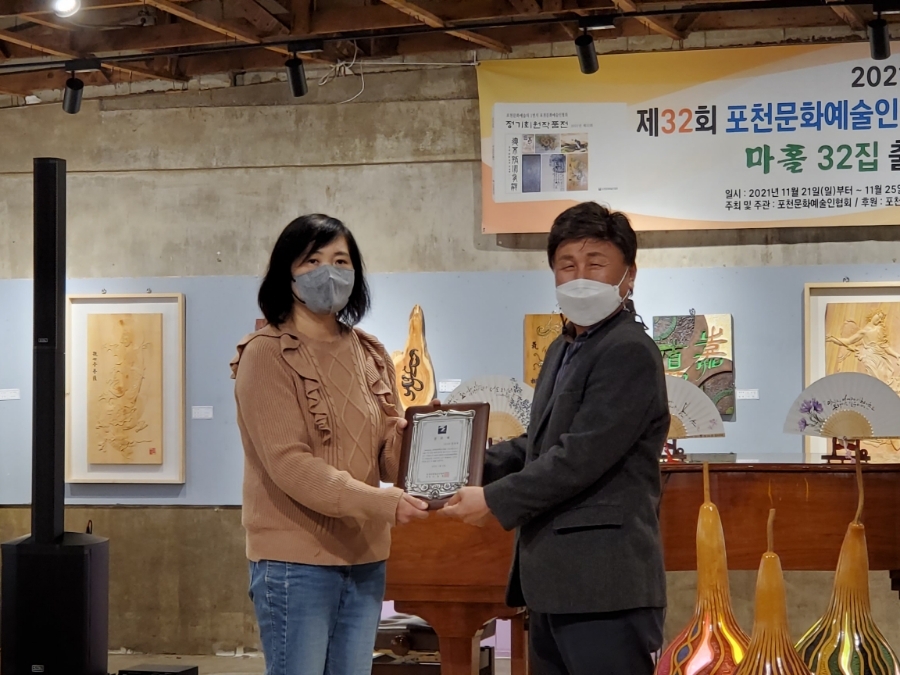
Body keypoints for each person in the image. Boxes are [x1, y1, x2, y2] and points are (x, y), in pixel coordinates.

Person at [443, 202, 670, 675]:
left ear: (629, 275)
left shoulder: (629, 350)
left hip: (604, 586)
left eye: (596, 263)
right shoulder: (562, 348)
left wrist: (491, 499)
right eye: (567, 264)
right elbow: (539, 444)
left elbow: (579, 457)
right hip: (554, 583)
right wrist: (461, 461)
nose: (580, 276)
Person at [230, 214, 429, 675]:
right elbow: (290, 465)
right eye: (312, 261)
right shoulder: (266, 353)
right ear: (287, 272)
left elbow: (387, 460)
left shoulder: (369, 352)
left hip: (365, 559)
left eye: (341, 261)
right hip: (294, 563)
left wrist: (417, 437)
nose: (329, 272)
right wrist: (382, 503)